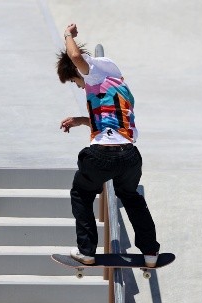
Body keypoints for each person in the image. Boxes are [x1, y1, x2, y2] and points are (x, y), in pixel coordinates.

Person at [56, 23, 160, 267]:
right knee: (131, 197)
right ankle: (150, 253)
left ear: (79, 72)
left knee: (81, 193)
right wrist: (82, 120)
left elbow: (74, 56)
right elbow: (111, 117)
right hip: (129, 156)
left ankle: (87, 251)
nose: (79, 86)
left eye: (74, 81)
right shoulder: (114, 80)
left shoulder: (91, 71)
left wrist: (68, 35)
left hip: (101, 156)